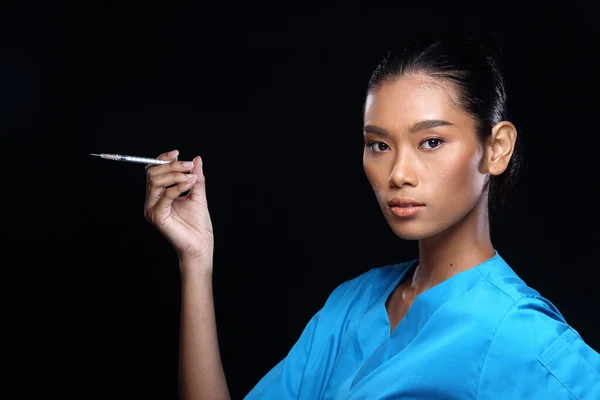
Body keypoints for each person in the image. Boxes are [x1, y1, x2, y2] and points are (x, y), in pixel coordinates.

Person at [143, 31, 600, 399]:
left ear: (496, 148)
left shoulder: (518, 334)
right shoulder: (350, 305)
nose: (398, 173)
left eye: (431, 142)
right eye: (378, 145)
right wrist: (196, 260)